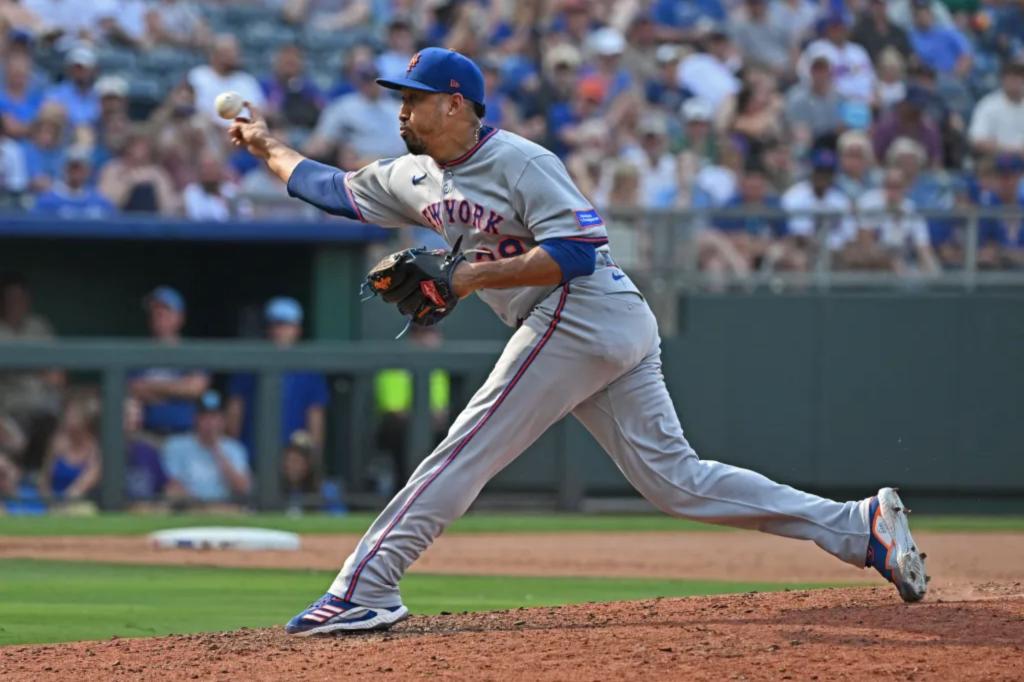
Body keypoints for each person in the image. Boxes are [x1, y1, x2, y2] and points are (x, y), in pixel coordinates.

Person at [228, 46, 928, 635]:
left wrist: (471, 277)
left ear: (455, 103)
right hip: (597, 324)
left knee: (466, 448)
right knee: (675, 482)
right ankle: (857, 527)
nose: (400, 110)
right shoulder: (411, 175)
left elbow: (577, 252)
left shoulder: (522, 161)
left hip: (580, 307)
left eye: (412, 98)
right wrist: (265, 147)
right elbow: (327, 188)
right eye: (398, 99)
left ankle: (365, 590)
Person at [226, 297, 329, 461]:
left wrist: (313, 461)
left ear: (297, 329)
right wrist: (234, 457)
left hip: (294, 460)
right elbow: (235, 413)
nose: (279, 331)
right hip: (252, 455)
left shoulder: (310, 370)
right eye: (275, 324)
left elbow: (315, 420)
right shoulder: (249, 365)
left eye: (286, 325)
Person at [128, 286, 210, 438]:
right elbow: (133, 388)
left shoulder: (192, 352)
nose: (158, 313)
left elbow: (196, 388)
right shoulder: (138, 352)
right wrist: (178, 388)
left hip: (184, 435)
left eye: (165, 309)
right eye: (155, 309)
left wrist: (150, 387)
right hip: (147, 434)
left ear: (180, 317)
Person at [162, 389, 251, 505]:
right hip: (189, 508)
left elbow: (243, 488)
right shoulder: (175, 445)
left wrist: (217, 450)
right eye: (204, 417)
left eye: (214, 417)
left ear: (223, 420)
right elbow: (172, 486)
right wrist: (201, 507)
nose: (210, 423)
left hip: (225, 508)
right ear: (195, 419)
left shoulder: (234, 448)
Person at [187, 34, 266, 128]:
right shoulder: (199, 76)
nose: (234, 55)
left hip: (244, 131)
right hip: (212, 131)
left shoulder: (246, 80)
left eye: (236, 51)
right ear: (214, 55)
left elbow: (258, 110)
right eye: (228, 52)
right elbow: (198, 110)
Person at [38, 394, 101, 502]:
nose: (68, 418)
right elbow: (44, 478)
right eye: (67, 414)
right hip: (50, 503)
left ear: (86, 420)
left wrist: (61, 505)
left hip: (78, 504)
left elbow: (82, 486)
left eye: (74, 415)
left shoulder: (95, 448)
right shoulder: (57, 441)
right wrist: (46, 499)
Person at [32, 145, 115, 218]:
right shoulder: (48, 202)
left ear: (89, 171)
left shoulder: (99, 201)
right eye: (74, 167)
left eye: (82, 168)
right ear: (65, 169)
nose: (78, 172)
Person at [968, 60, 1024, 157]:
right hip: (998, 160)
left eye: (1018, 78)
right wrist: (1014, 151)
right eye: (1010, 78)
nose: (1014, 82)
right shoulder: (988, 105)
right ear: (1003, 80)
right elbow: (977, 141)